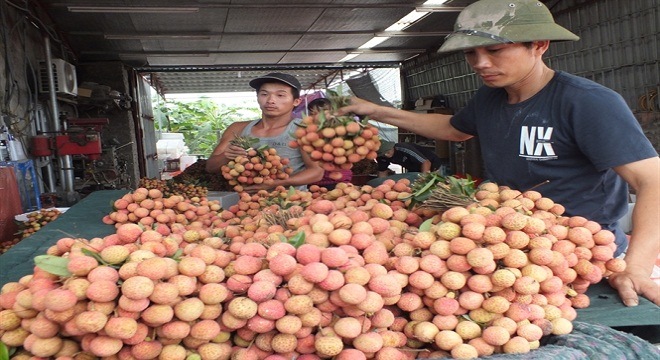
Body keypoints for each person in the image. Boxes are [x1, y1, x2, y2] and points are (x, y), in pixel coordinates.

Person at [338, 0, 660, 307]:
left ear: (539, 45)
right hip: (504, 252)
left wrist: (637, 267)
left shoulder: (587, 102)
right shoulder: (489, 99)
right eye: (471, 53)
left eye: (494, 50)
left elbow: (652, 182)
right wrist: (377, 111)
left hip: (578, 259)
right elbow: (453, 129)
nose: (480, 63)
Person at [206, 72, 323, 191]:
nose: (271, 100)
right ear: (257, 98)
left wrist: (276, 183)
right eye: (264, 94)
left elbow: (317, 172)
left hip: (291, 204)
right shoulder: (237, 128)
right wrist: (226, 156)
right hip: (242, 205)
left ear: (296, 101)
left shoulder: (304, 129)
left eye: (280, 95)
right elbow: (210, 167)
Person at [306, 98, 353, 190]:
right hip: (315, 183)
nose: (316, 116)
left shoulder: (341, 130)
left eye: (322, 112)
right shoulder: (311, 133)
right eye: (312, 113)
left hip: (339, 181)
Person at [376, 140, 445, 177]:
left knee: (435, 188)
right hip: (414, 169)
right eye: (383, 154)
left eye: (388, 152)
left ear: (392, 147)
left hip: (432, 165)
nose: (386, 155)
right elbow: (382, 171)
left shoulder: (404, 148)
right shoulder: (381, 157)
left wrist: (424, 179)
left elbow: (426, 162)